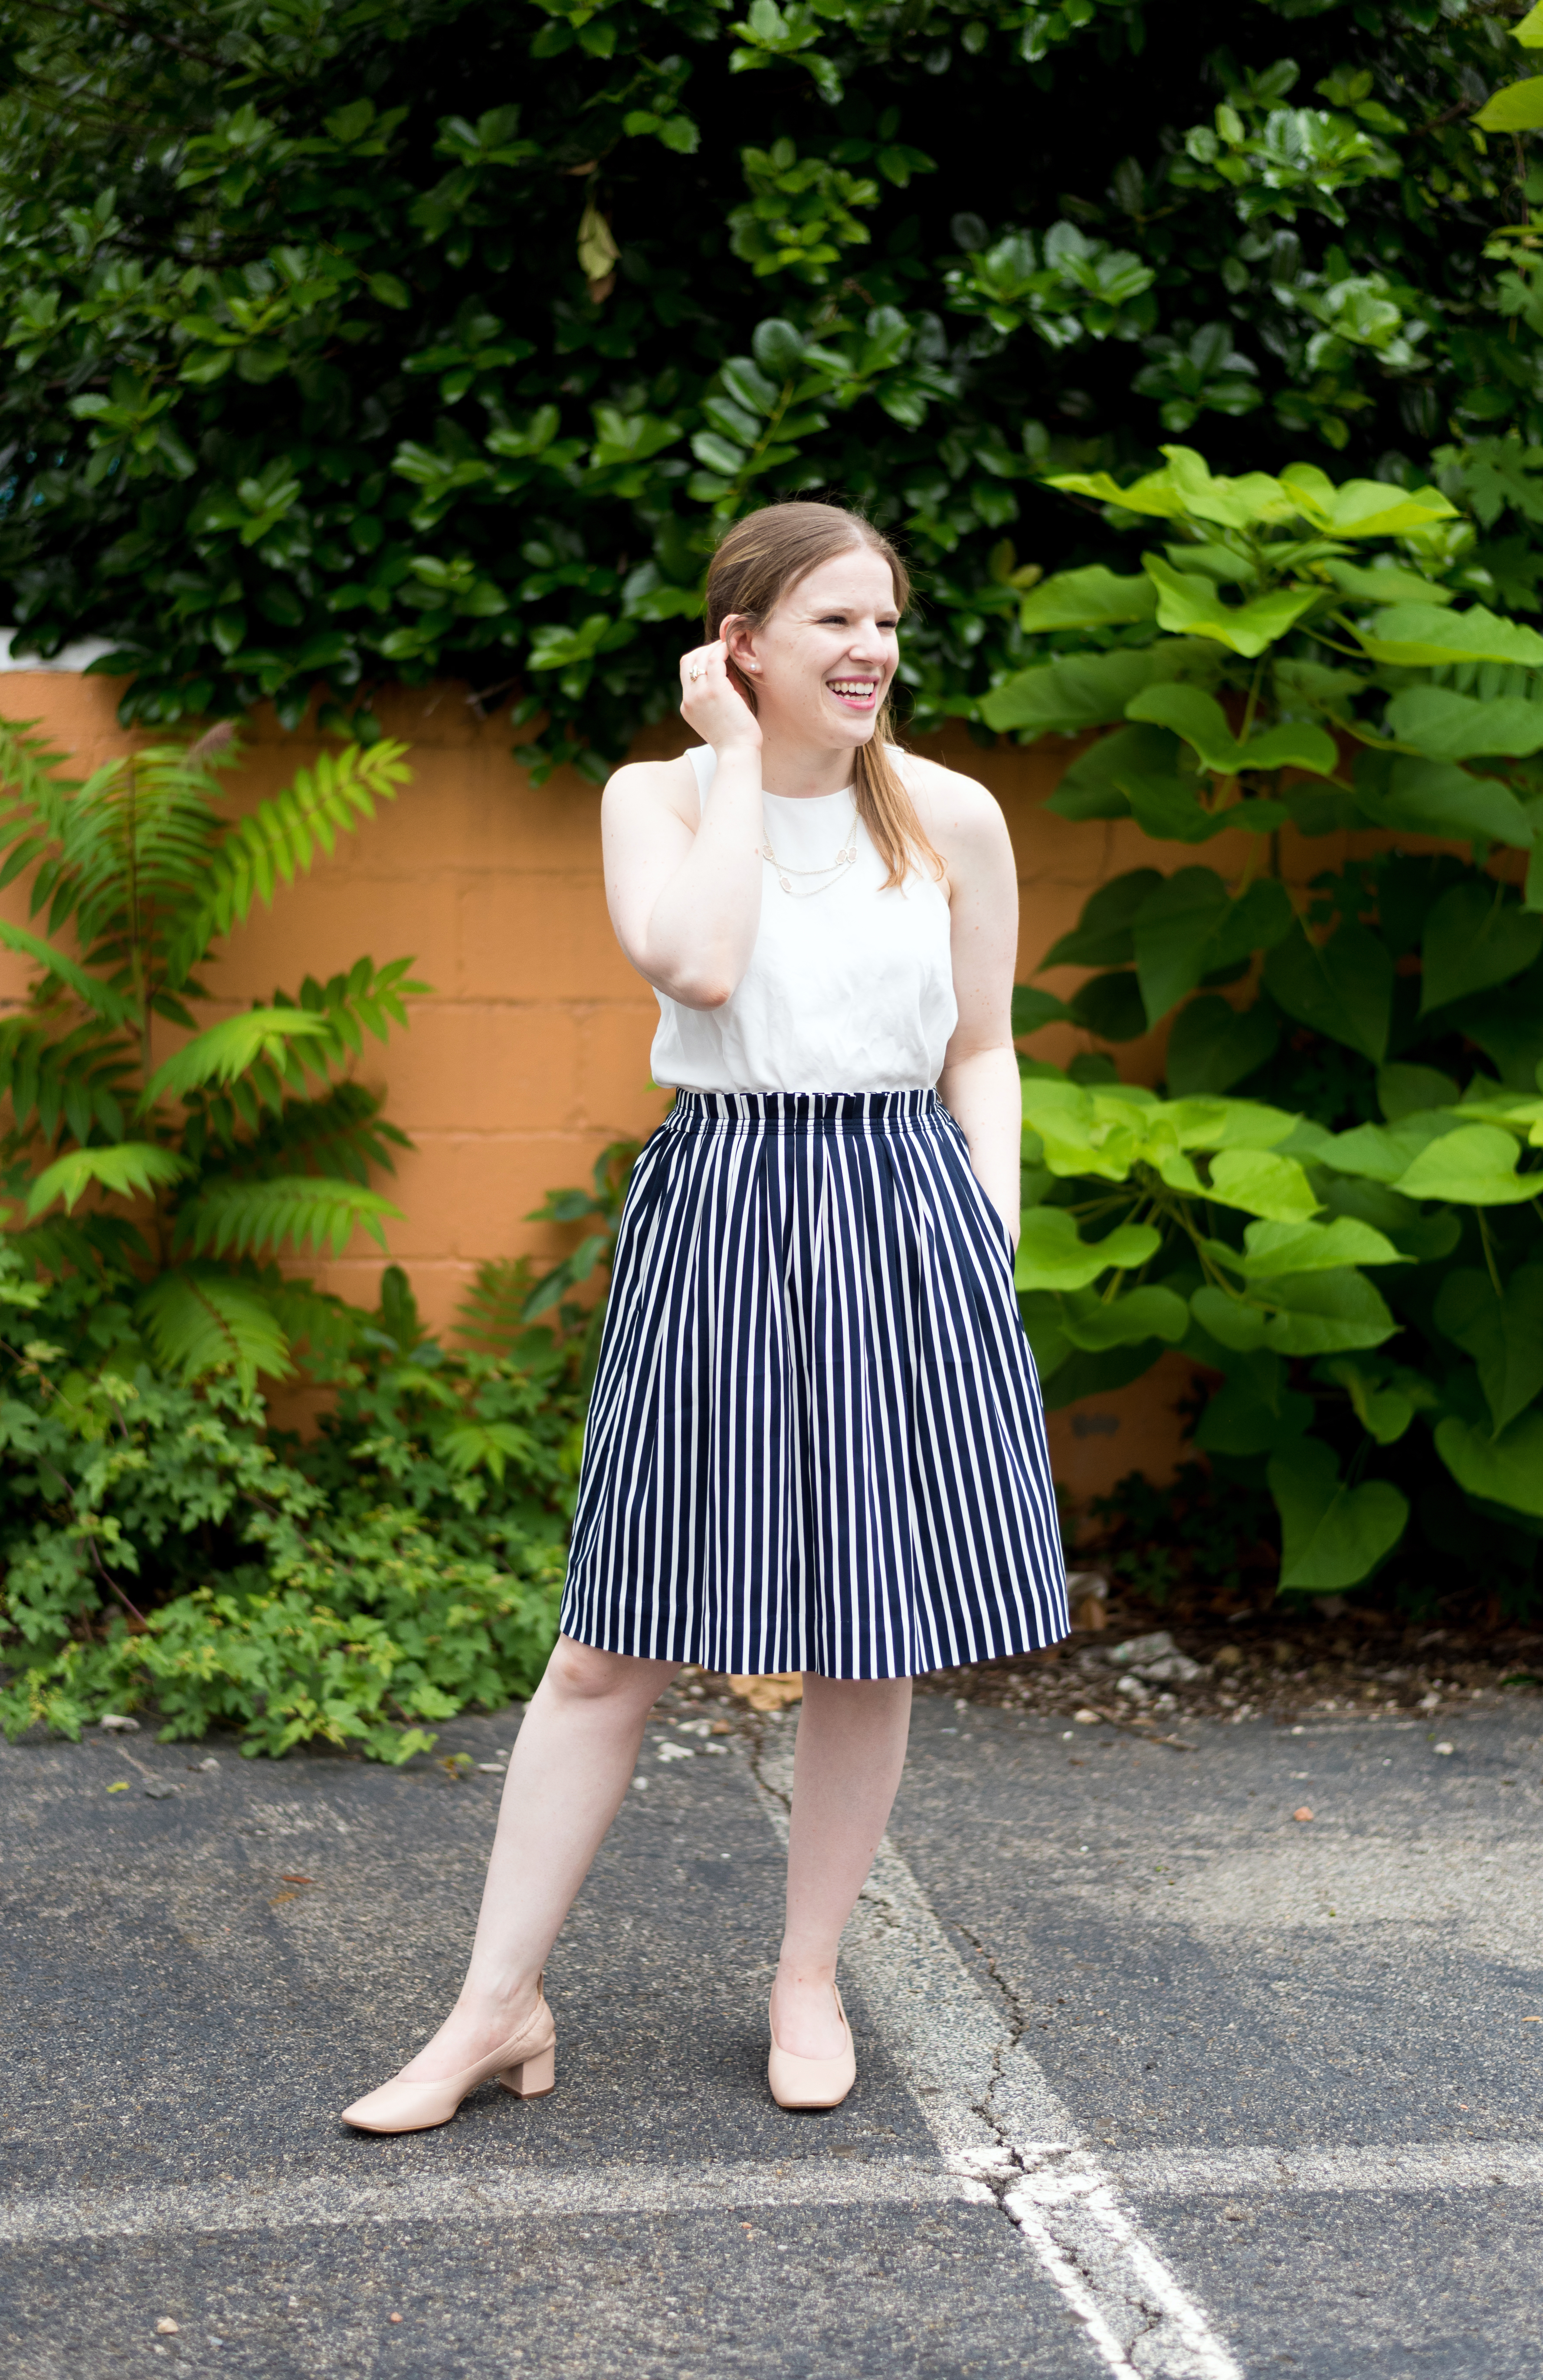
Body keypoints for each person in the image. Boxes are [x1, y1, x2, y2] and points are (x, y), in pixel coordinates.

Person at [341, 500, 1067, 2134]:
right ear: (738, 643)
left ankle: (808, 1976)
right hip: (726, 1204)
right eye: (832, 621)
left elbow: (985, 1050)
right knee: (611, 1646)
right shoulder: (654, 799)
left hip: (906, 1210)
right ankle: (494, 2007)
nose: (873, 650)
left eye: (885, 619)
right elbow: (706, 967)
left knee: (871, 1639)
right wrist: (738, 761)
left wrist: (989, 1251)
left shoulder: (953, 813)